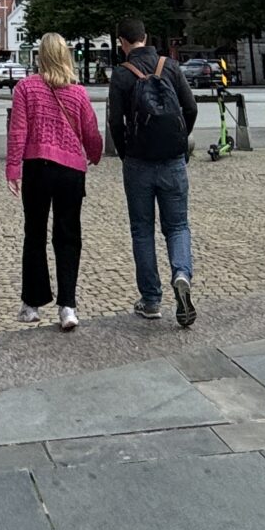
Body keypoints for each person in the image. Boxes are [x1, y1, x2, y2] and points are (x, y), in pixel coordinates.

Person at [7, 33, 103, 330]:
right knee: (68, 235)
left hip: (37, 167)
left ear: (40, 56)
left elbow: (18, 131)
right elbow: (91, 131)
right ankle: (68, 306)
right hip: (70, 171)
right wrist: (95, 154)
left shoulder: (25, 88)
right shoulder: (78, 93)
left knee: (34, 232)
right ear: (65, 56)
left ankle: (32, 304)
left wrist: (13, 168)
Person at [107, 17, 199, 326]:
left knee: (142, 230)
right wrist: (179, 139)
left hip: (138, 163)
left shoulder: (122, 74)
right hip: (172, 160)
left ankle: (150, 300)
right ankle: (182, 274)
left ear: (122, 42)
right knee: (178, 226)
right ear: (145, 37)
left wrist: (126, 153)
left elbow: (115, 122)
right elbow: (191, 108)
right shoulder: (169, 67)